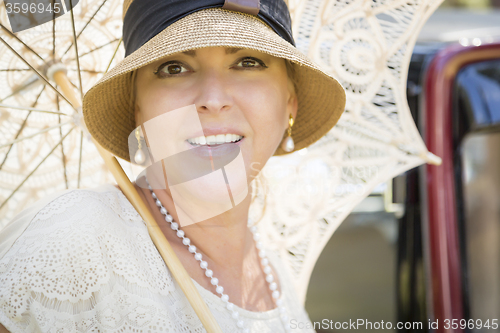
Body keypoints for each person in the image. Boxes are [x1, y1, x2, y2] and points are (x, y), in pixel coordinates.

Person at [0, 0, 346, 332]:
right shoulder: (68, 242)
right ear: (139, 111)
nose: (212, 100)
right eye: (174, 67)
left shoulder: (273, 272)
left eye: (248, 61)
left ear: (290, 103)